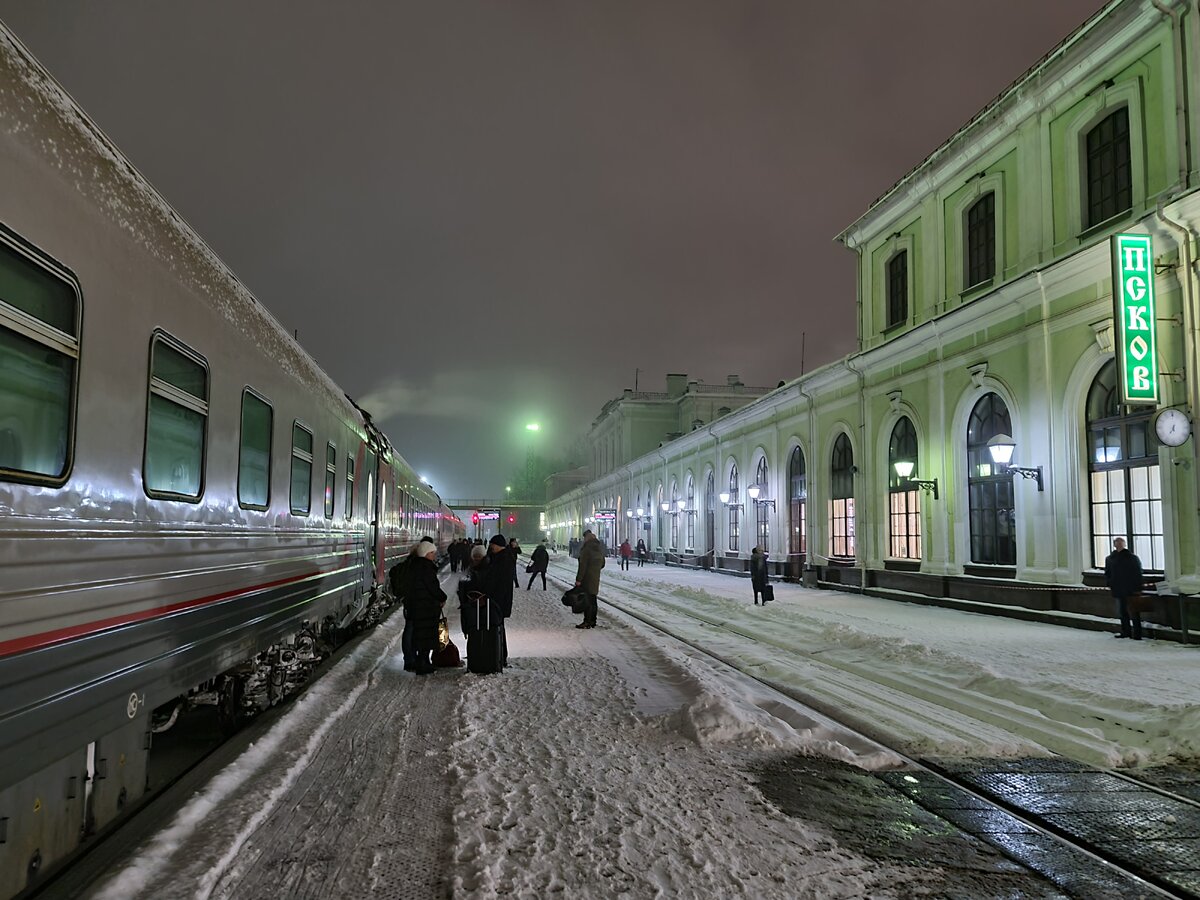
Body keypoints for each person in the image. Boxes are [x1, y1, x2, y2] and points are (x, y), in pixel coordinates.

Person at [398, 540, 446, 674]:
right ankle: (422, 663)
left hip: (416, 606)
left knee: (418, 635)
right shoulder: (426, 568)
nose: (434, 556)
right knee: (426, 636)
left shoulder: (414, 566)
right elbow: (432, 587)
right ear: (426, 554)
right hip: (426, 608)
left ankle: (418, 661)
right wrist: (442, 597)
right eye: (432, 553)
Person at [484, 534, 516, 665]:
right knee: (498, 627)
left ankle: (499, 656)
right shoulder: (502, 557)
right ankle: (499, 655)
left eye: (492, 545)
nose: (490, 547)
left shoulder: (503, 560)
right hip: (499, 600)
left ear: (497, 545)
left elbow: (499, 582)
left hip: (498, 600)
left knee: (497, 628)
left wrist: (493, 599)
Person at [1105, 536, 1144, 640]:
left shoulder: (1129, 558)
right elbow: (1108, 573)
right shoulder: (1111, 558)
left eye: (1120, 543)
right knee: (1125, 612)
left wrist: (1138, 588)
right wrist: (1110, 583)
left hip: (1128, 588)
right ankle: (1128, 632)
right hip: (1122, 588)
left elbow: (1137, 573)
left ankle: (1134, 633)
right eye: (1117, 543)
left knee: (1131, 611)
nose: (1119, 545)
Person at [574, 528, 605, 629]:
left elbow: (582, 566)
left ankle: (586, 621)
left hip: (587, 578)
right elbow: (603, 563)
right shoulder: (599, 548)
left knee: (586, 600)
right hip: (595, 577)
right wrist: (595, 569)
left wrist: (579, 579)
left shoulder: (586, 549)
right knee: (593, 599)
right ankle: (593, 621)